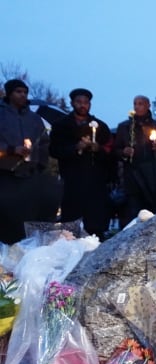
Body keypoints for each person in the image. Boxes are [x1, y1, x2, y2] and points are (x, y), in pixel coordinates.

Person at [0, 79, 61, 244]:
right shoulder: (2, 114)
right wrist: (11, 149)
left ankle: (23, 249)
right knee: (6, 215)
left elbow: (44, 142)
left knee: (26, 216)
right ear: (9, 93)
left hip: (28, 174)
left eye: (25, 92)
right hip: (5, 172)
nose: (22, 95)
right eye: (18, 91)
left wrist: (40, 163)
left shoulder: (34, 119)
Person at [49, 88, 114, 238]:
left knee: (95, 219)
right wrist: (75, 148)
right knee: (72, 220)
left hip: (95, 178)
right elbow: (54, 150)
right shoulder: (61, 126)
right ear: (72, 103)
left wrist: (98, 148)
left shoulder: (100, 126)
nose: (82, 105)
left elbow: (110, 150)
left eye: (86, 102)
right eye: (79, 102)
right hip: (72, 177)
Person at [113, 95, 156, 226]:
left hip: (153, 177)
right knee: (134, 213)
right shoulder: (125, 127)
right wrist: (124, 151)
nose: (137, 106)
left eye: (140, 103)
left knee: (153, 214)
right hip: (133, 176)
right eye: (135, 103)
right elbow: (115, 150)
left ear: (148, 105)